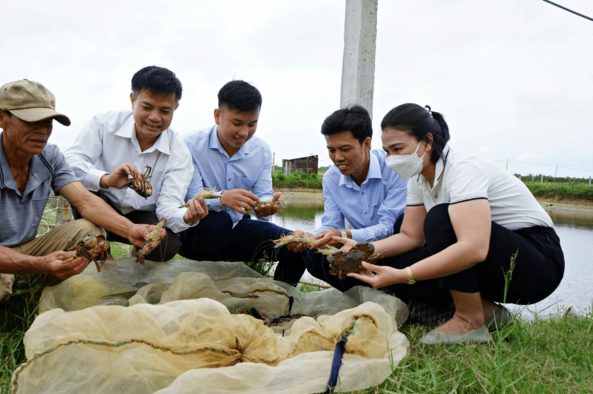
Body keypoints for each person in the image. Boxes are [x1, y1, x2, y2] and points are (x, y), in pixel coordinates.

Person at [0, 79, 165, 330]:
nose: (43, 131)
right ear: (0, 118)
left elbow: (86, 201)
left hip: (24, 247)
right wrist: (42, 264)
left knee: (91, 232)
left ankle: (29, 295)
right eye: (31, 121)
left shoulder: (49, 156)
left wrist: (130, 230)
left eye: (47, 122)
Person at [333, 104, 565, 344]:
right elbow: (410, 236)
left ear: (427, 141)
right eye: (387, 151)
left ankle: (469, 319)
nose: (391, 158)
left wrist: (403, 275)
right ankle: (489, 313)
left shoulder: (463, 170)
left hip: (537, 263)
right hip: (492, 262)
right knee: (390, 258)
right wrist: (365, 249)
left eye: (398, 148)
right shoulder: (418, 177)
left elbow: (474, 247)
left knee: (440, 219)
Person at [65, 66, 208, 262]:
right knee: (81, 188)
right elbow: (70, 164)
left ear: (175, 108)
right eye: (147, 107)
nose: (155, 117)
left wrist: (186, 218)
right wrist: (106, 180)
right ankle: (102, 256)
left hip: (142, 216)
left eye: (165, 110)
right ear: (133, 100)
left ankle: (136, 258)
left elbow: (168, 206)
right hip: (100, 206)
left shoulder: (180, 153)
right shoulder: (104, 124)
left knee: (167, 244)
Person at [179, 80, 306, 285]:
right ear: (217, 116)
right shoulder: (190, 144)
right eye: (237, 123)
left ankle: (276, 303)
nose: (244, 133)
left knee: (297, 244)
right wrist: (222, 198)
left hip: (237, 226)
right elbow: (192, 196)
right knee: (218, 223)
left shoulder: (261, 151)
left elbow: (264, 193)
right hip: (198, 230)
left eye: (252, 124)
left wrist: (265, 206)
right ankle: (210, 292)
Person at [284, 106, 407, 291]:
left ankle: (394, 293)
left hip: (393, 250)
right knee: (309, 253)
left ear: (366, 144)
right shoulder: (331, 178)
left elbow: (389, 228)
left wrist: (345, 235)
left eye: (345, 149)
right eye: (331, 150)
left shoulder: (394, 169)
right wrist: (311, 237)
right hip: (358, 253)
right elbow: (331, 223)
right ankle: (280, 299)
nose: (337, 157)